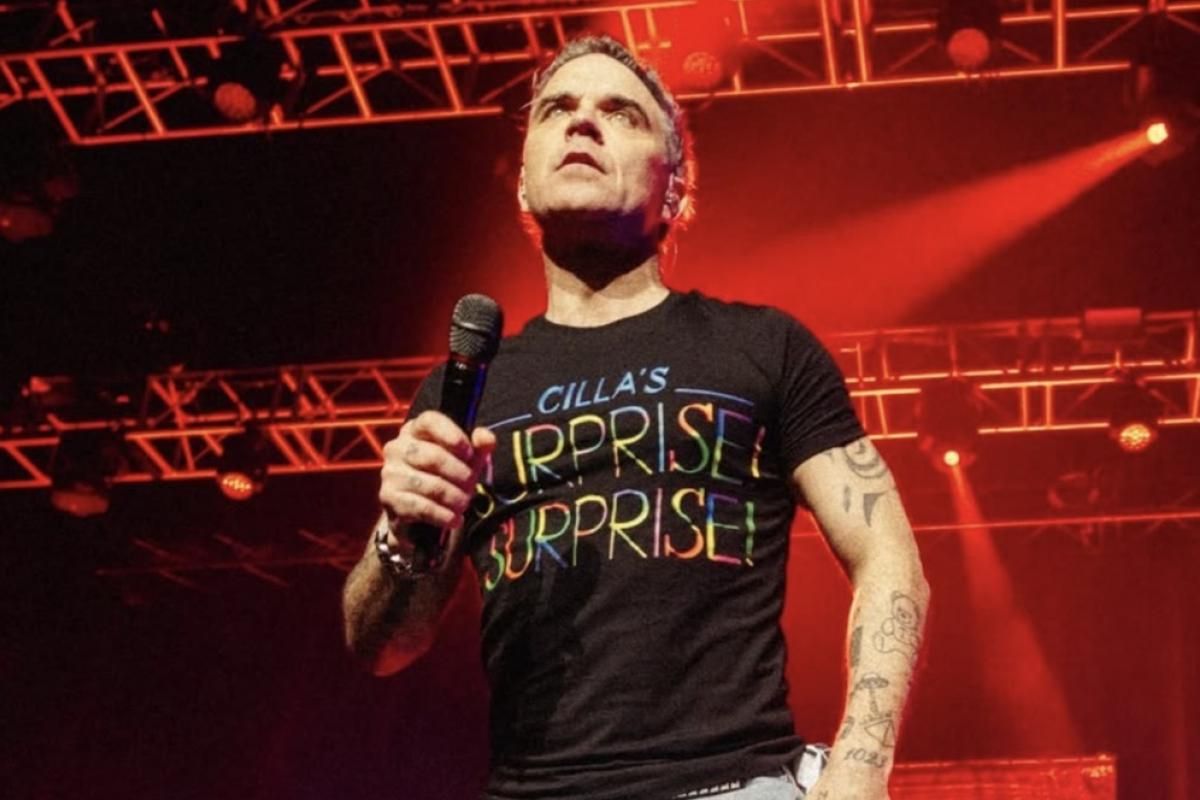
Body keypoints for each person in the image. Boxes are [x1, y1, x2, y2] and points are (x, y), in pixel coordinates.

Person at [342, 35, 929, 800]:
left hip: (731, 785)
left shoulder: (761, 347)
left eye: (620, 113)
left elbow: (887, 555)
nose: (582, 122)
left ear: (675, 187)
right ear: (522, 184)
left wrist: (861, 764)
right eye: (556, 109)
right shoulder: (466, 392)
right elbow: (381, 646)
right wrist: (401, 535)